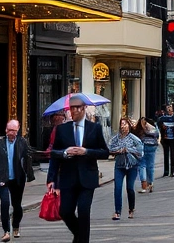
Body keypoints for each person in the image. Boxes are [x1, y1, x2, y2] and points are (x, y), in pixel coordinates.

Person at [47, 94, 110, 243]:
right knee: (65, 211)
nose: (73, 111)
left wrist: (86, 151)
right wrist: (52, 177)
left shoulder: (94, 128)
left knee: (83, 211)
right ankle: (79, 235)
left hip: (87, 178)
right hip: (68, 178)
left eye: (77, 108)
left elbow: (104, 152)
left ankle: (82, 240)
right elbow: (54, 154)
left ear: (84, 108)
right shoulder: (62, 129)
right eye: (71, 108)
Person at [0, 120, 35, 242]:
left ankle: (16, 226)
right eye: (9, 130)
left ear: (18, 130)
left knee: (17, 205)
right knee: (5, 203)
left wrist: (29, 172)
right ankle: (6, 231)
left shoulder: (22, 142)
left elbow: (29, 156)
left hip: (17, 178)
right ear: (6, 130)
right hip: (2, 179)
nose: (11, 133)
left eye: (13, 130)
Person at [108, 117, 143, 221]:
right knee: (118, 188)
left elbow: (140, 151)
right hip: (119, 166)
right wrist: (118, 150)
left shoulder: (134, 138)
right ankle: (117, 211)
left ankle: (131, 209)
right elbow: (110, 148)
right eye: (122, 124)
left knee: (129, 188)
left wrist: (128, 149)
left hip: (132, 166)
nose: (123, 126)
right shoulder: (116, 138)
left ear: (129, 125)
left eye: (125, 124)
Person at [133, 117, 159, 193]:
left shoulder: (140, 127)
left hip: (143, 146)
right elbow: (157, 135)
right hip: (152, 146)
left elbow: (136, 137)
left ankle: (144, 185)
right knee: (150, 166)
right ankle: (150, 183)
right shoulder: (153, 126)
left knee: (142, 165)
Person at [156, 104, 174, 178]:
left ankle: (172, 171)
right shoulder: (162, 118)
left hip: (173, 139)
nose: (169, 109)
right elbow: (157, 126)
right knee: (166, 155)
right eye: (168, 108)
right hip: (165, 139)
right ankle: (166, 171)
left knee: (173, 155)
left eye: (170, 107)